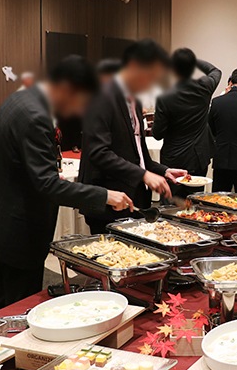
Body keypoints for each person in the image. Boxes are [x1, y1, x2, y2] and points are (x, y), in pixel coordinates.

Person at [0, 56, 133, 314]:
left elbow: (24, 166)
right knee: (18, 307)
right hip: (18, 227)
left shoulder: (23, 97)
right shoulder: (36, 116)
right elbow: (48, 186)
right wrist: (105, 196)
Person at [79, 39, 186, 235]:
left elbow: (138, 153)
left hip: (134, 198)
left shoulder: (134, 100)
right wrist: (143, 175)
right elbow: (98, 152)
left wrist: (163, 170)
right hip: (108, 201)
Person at [152, 48, 222, 197]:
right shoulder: (204, 86)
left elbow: (157, 134)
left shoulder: (165, 96)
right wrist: (193, 61)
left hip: (174, 157)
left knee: (172, 202)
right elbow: (215, 71)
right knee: (195, 200)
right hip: (199, 155)